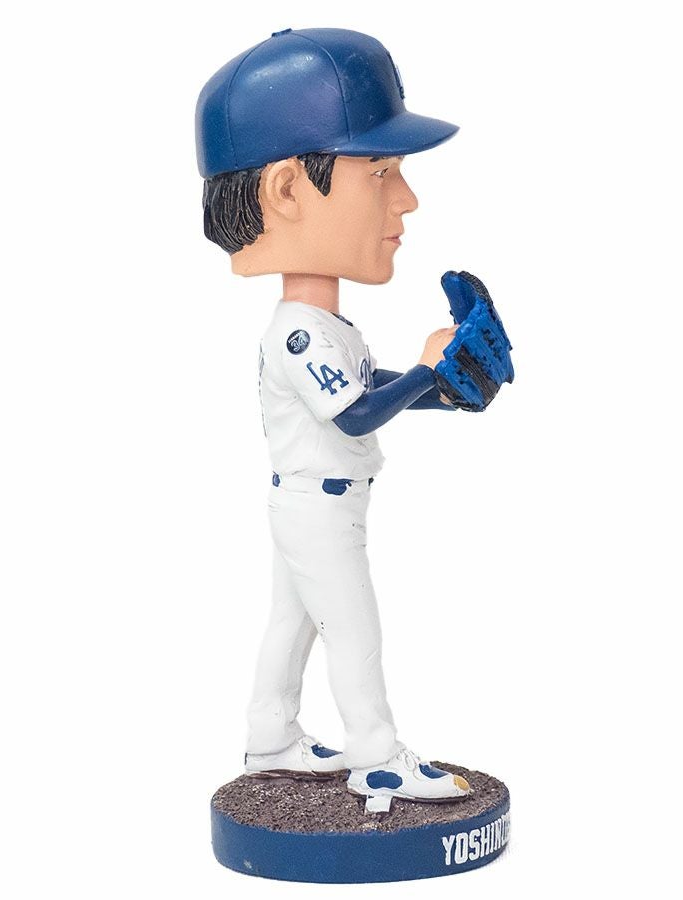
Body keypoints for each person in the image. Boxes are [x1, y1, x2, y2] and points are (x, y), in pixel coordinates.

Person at [196, 28, 471, 802]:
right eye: (379, 171)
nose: (406, 198)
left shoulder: (319, 326)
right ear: (287, 191)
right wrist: (427, 371)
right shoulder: (297, 330)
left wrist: (442, 390)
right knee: (353, 631)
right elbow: (354, 415)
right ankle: (376, 755)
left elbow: (364, 384)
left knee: (292, 627)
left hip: (310, 501)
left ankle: (269, 738)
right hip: (318, 506)